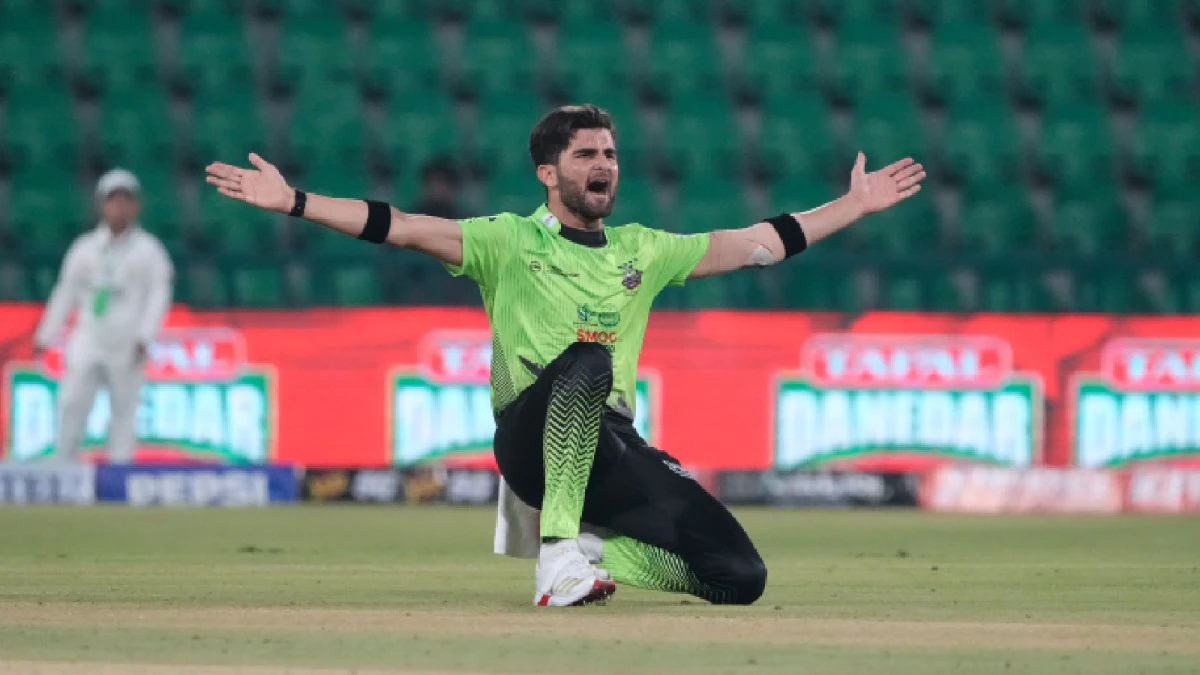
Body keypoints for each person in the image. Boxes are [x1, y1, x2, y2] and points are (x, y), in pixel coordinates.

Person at [205, 105, 925, 607]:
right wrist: (295, 201)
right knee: (588, 360)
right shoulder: (507, 241)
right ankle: (556, 559)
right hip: (529, 441)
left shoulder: (644, 250)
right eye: (586, 154)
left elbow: (758, 244)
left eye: (609, 153)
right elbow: (399, 226)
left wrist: (852, 206)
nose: (603, 164)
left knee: (739, 574)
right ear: (549, 174)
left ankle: (588, 552)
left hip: (611, 445)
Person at [33, 168, 174, 464]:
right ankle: (64, 465)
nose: (119, 206)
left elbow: (159, 295)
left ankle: (119, 475)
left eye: (126, 199)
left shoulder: (149, 251)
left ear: (136, 206)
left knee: (124, 411)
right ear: (101, 204)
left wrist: (145, 336)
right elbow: (65, 292)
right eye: (113, 199)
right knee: (72, 402)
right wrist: (46, 335)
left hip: (127, 342)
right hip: (89, 336)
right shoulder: (85, 248)